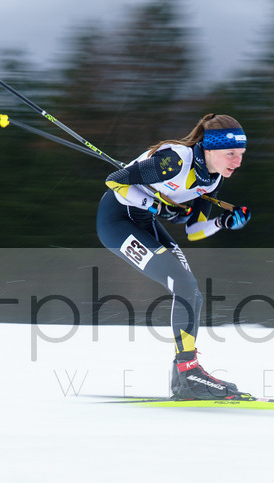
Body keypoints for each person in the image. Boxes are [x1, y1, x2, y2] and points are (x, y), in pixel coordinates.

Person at [96, 113, 251, 399]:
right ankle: (189, 372)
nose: (237, 161)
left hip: (143, 222)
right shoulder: (175, 161)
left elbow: (193, 230)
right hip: (116, 221)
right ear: (211, 148)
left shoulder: (212, 180)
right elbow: (115, 181)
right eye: (231, 153)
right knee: (184, 285)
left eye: (240, 154)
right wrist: (157, 207)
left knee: (191, 291)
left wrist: (222, 223)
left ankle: (184, 376)